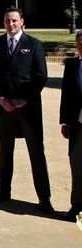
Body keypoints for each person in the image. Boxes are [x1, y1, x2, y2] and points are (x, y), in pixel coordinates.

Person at [0, 8, 53, 214]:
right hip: (4, 107)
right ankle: (3, 190)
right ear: (4, 22)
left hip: (28, 108)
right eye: (8, 20)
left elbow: (40, 75)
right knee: (4, 151)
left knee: (36, 153)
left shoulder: (34, 45)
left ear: (22, 22)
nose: (11, 24)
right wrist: (0, 98)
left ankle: (44, 198)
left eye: (15, 20)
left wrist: (24, 99)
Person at [59, 30, 82, 222]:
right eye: (79, 43)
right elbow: (65, 95)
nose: (81, 46)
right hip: (77, 125)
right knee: (77, 166)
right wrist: (64, 121)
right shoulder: (73, 65)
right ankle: (76, 208)